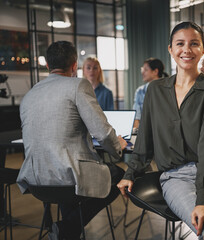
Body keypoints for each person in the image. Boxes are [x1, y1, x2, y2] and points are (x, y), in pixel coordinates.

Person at [118, 22, 204, 240]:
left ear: (203, 50)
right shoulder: (155, 90)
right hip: (177, 177)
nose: (186, 50)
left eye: (194, 44)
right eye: (180, 43)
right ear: (170, 49)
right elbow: (145, 139)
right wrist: (131, 173)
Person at [17, 41, 127, 240]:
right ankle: (68, 228)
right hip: (67, 178)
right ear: (75, 65)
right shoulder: (78, 85)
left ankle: (67, 233)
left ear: (48, 65)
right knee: (118, 175)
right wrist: (118, 146)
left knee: (67, 181)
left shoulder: (29, 95)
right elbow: (102, 133)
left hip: (35, 179)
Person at [133, 58, 168, 129]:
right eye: (142, 69)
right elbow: (137, 117)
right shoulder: (140, 91)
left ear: (155, 71)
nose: (142, 72)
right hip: (146, 130)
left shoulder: (168, 89)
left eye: (146, 70)